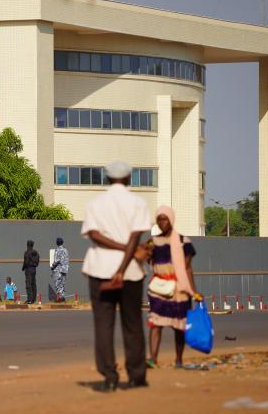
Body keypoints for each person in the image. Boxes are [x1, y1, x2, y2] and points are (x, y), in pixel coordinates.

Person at [81, 161, 151, 392]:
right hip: (131, 271)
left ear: (107, 178)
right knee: (132, 323)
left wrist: (117, 259)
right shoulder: (138, 203)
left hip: (100, 268)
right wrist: (124, 262)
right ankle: (136, 376)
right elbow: (134, 238)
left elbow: (93, 235)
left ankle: (109, 376)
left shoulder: (95, 203)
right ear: (129, 178)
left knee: (103, 324)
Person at [146, 206, 202, 369]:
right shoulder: (152, 242)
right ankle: (152, 359)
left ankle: (178, 360)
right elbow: (145, 258)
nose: (162, 222)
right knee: (155, 323)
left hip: (179, 289)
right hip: (159, 288)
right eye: (159, 219)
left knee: (179, 326)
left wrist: (193, 291)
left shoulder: (184, 241)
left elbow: (188, 268)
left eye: (165, 218)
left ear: (171, 219)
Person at [51, 237, 70, 302]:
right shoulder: (66, 250)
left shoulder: (57, 250)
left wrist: (53, 267)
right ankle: (62, 297)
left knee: (57, 283)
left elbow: (57, 261)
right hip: (65, 269)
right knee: (62, 283)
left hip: (58, 269)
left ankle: (59, 298)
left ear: (57, 243)